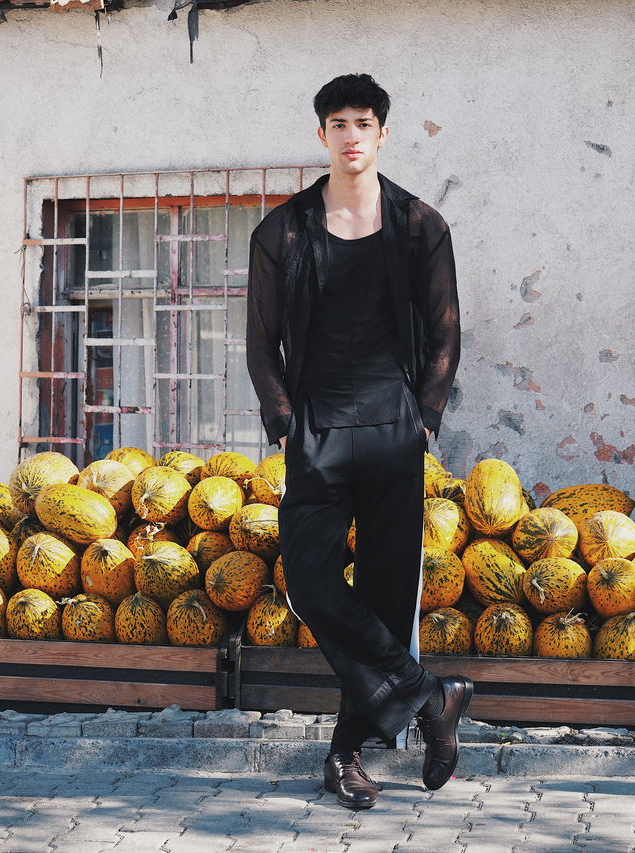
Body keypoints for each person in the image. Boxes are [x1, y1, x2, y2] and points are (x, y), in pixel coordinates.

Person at [246, 73, 473, 810]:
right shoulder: (282, 230)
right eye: (338, 123)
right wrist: (285, 422)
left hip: (392, 427)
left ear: (382, 134)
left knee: (384, 594)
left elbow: (445, 332)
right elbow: (260, 344)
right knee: (310, 580)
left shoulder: (419, 224)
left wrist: (424, 417)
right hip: (316, 426)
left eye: (363, 123)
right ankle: (429, 694)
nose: (351, 136)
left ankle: (344, 756)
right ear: (322, 134)